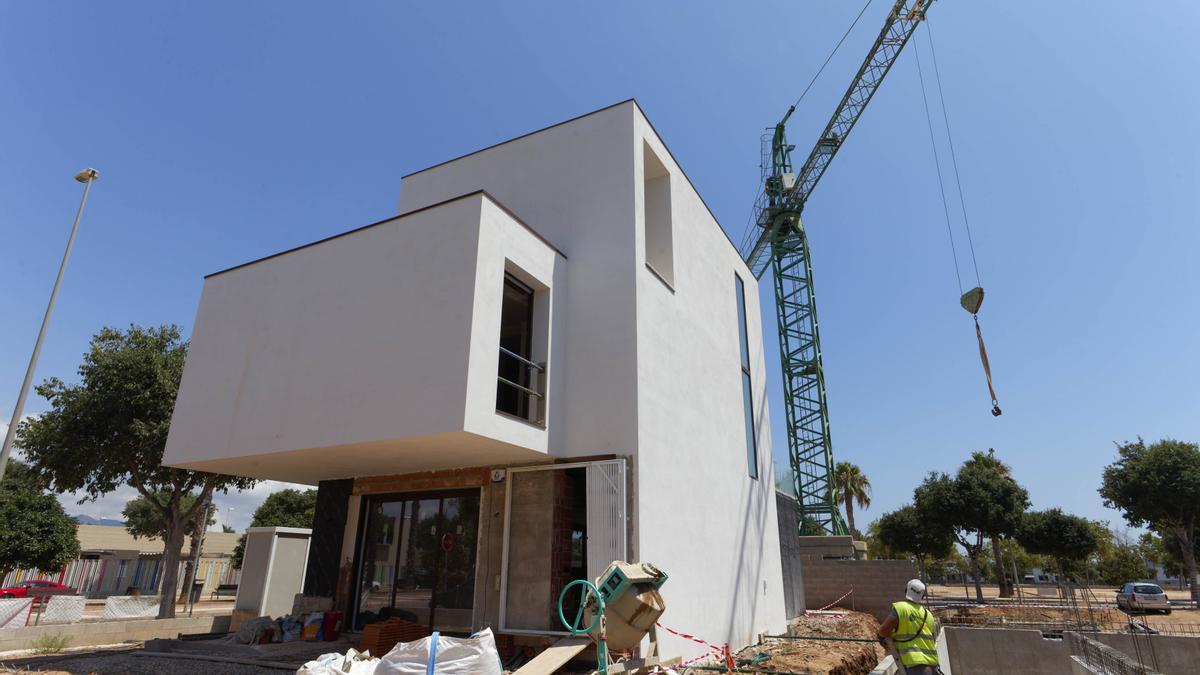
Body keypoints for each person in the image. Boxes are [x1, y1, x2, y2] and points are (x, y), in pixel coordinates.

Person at [877, 578, 942, 674]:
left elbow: (883, 631)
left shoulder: (901, 608)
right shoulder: (928, 615)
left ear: (906, 591)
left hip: (914, 666)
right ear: (922, 596)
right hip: (933, 666)